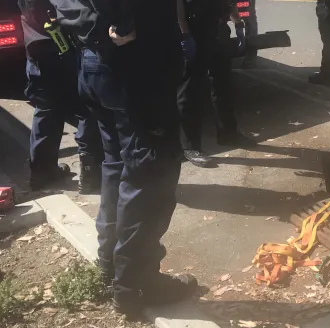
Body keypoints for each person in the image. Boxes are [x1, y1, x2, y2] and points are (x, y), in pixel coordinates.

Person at [52, 0, 198, 317]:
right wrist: (126, 24)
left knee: (118, 168)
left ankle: (110, 266)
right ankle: (135, 284)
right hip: (135, 69)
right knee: (149, 177)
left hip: (99, 63)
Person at [17, 0, 102, 193]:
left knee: (46, 110)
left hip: (38, 50)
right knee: (85, 108)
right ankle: (90, 174)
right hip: (64, 48)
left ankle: (41, 172)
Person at [176, 0, 257, 168]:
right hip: (194, 30)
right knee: (191, 90)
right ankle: (190, 147)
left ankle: (228, 132)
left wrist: (238, 23)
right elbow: (178, 5)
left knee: (223, 82)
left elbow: (230, 2)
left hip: (218, 29)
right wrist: (184, 33)